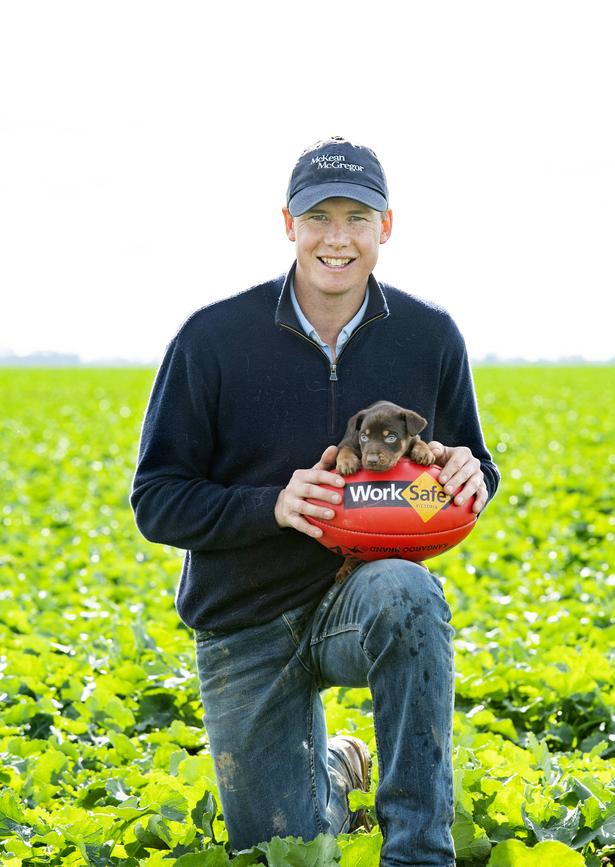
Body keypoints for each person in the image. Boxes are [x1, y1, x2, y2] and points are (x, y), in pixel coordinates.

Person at [131, 136, 499, 866]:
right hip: (246, 617)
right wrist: (272, 505)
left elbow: (474, 461)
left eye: (357, 217)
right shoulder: (212, 339)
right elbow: (156, 499)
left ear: (385, 227)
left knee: (410, 592)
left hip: (356, 600)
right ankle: (332, 770)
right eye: (319, 217)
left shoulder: (430, 336)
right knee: (286, 848)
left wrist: (472, 477)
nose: (338, 238)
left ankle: (418, 851)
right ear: (288, 223)